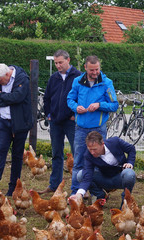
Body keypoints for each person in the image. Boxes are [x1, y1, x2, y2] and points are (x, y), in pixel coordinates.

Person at [67, 55, 119, 194]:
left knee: (97, 162)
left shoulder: (106, 83)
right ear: (85, 68)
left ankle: (97, 193)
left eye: (97, 69)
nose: (95, 73)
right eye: (91, 70)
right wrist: (75, 107)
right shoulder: (77, 81)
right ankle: (75, 193)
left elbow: (114, 105)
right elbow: (70, 99)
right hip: (81, 128)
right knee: (78, 161)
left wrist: (99, 105)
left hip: (98, 129)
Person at [0, 62, 33, 196]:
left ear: (7, 74)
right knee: (1, 150)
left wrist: (1, 95)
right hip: (3, 122)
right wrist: (8, 98)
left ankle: (13, 187)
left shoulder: (22, 79)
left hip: (20, 123)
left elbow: (18, 97)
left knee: (17, 155)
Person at [42, 49, 82, 193]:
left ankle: (78, 187)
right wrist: (48, 114)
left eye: (60, 62)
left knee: (77, 153)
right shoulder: (54, 78)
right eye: (56, 63)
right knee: (56, 153)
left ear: (68, 60)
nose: (58, 65)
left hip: (71, 122)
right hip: (56, 122)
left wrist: (74, 114)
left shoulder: (78, 77)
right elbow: (46, 98)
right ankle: (54, 185)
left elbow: (82, 97)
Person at [74, 131, 136, 203]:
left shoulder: (115, 141)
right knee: (80, 175)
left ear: (102, 144)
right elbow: (87, 176)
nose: (92, 152)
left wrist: (130, 162)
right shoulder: (88, 155)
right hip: (104, 179)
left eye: (94, 149)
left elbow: (131, 149)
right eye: (90, 149)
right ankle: (101, 196)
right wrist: (79, 194)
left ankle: (125, 202)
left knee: (129, 174)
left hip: (120, 177)